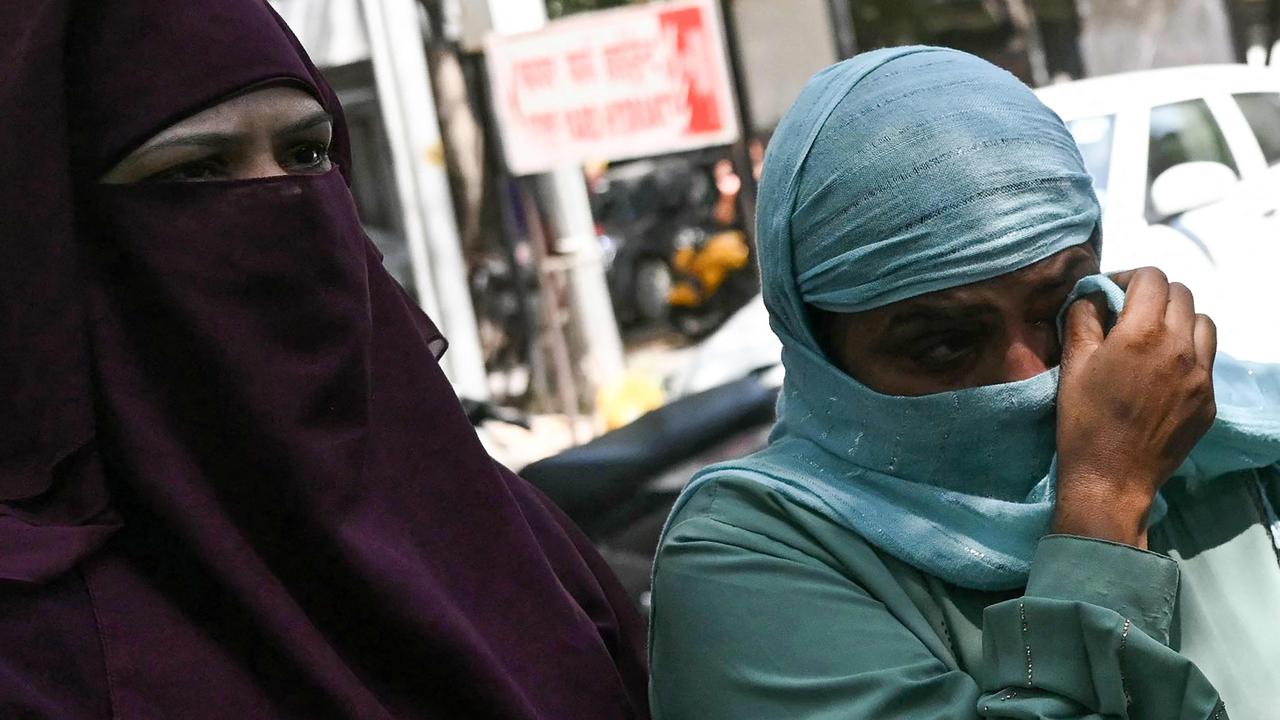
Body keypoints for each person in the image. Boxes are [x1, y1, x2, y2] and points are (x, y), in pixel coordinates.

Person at [0, 2, 649, 718]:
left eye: (308, 154)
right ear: (53, 235)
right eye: (193, 171)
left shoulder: (497, 519)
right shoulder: (39, 644)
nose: (281, 204)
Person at [649, 47, 1280, 719]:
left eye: (1056, 310)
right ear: (819, 351)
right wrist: (1104, 501)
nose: (1033, 378)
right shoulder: (748, 562)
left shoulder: (1202, 445)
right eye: (944, 344)